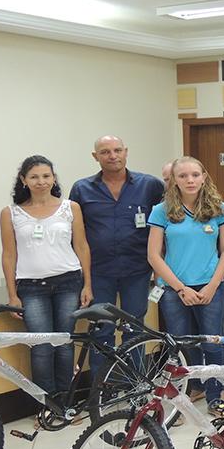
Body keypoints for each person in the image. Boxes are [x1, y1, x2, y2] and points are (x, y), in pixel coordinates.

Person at [147, 156, 224, 417]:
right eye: (183, 175)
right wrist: (181, 288)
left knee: (213, 342)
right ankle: (194, 386)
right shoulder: (161, 210)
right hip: (175, 290)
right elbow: (154, 255)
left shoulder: (218, 208)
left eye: (195, 175)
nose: (190, 180)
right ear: (174, 179)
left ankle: (216, 393)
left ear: (204, 176)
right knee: (185, 343)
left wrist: (212, 286)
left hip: (211, 287)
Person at [69, 135, 164, 375]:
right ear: (95, 156)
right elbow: (74, 233)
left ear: (126, 152)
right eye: (105, 152)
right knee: (102, 329)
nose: (112, 156)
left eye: (117, 150)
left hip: (137, 270)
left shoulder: (149, 185)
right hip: (99, 272)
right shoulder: (82, 188)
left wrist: (160, 268)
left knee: (134, 329)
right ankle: (103, 386)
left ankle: (136, 383)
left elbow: (165, 226)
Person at [0, 155, 93, 395]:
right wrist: (12, 294)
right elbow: (9, 255)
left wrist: (87, 285)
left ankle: (64, 403)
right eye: (34, 177)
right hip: (31, 288)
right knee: (41, 346)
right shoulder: (11, 213)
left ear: (53, 178)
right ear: (24, 180)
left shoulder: (70, 208)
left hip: (68, 283)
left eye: (46, 176)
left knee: (63, 344)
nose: (41, 181)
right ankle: (46, 405)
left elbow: (81, 246)